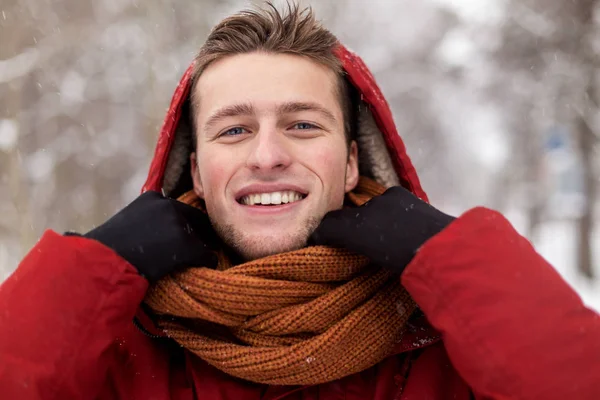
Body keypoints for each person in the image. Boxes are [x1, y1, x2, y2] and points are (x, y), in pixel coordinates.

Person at [1, 3, 599, 400]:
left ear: (352, 163)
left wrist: (446, 252)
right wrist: (95, 265)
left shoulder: (443, 343)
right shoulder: (121, 346)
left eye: (304, 125)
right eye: (233, 130)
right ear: (196, 173)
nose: (266, 156)